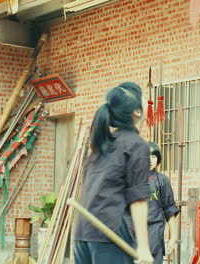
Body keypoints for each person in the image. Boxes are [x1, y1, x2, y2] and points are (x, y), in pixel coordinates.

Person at [74, 82, 154, 264]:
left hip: (83, 230)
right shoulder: (135, 144)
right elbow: (138, 199)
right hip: (108, 231)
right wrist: (143, 247)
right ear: (137, 112)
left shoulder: (104, 145)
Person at [125, 142, 180, 264]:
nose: (149, 160)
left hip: (155, 234)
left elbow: (170, 209)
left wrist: (173, 237)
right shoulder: (131, 180)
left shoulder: (162, 180)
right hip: (133, 236)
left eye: (153, 156)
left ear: (158, 159)